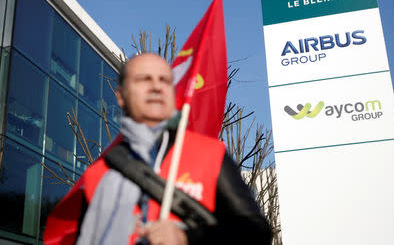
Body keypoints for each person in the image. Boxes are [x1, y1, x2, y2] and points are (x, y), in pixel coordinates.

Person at [44, 53, 272, 245]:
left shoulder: (211, 154)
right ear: (121, 96)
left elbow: (255, 231)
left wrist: (187, 237)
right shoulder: (98, 173)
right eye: (144, 79)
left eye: (164, 80)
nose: (156, 86)